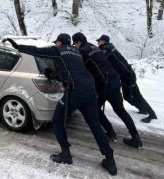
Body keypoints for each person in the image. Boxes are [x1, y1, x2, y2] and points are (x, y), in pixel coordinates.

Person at [6, 34, 117, 175]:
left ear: (59, 42)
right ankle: (110, 159)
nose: (55, 44)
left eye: (56, 42)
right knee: (95, 126)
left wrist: (17, 47)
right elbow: (71, 69)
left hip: (75, 91)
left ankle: (65, 154)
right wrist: (54, 74)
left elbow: (37, 51)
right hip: (90, 89)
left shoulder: (58, 50)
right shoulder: (76, 51)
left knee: (58, 120)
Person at [72, 32, 143, 149]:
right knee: (120, 110)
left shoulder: (82, 52)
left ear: (78, 42)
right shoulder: (94, 47)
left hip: (103, 84)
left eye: (75, 44)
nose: (76, 46)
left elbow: (80, 69)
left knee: (94, 108)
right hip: (115, 79)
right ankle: (136, 139)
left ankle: (110, 133)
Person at [96, 35, 157, 123]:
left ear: (104, 41)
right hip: (125, 75)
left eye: (99, 41)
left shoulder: (107, 50)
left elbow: (100, 59)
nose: (98, 42)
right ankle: (142, 109)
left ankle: (152, 114)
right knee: (127, 97)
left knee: (137, 96)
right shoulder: (108, 48)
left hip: (128, 75)